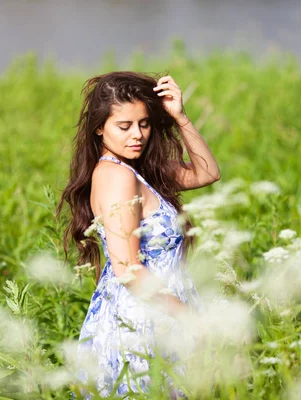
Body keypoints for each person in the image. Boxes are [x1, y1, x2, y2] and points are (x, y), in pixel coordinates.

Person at [57, 71, 220, 398]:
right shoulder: (117, 177)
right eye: (125, 126)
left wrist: (179, 115)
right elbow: (127, 270)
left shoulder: (138, 170)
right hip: (143, 321)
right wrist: (192, 320)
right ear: (99, 128)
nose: (138, 135)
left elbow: (207, 172)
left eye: (144, 124)